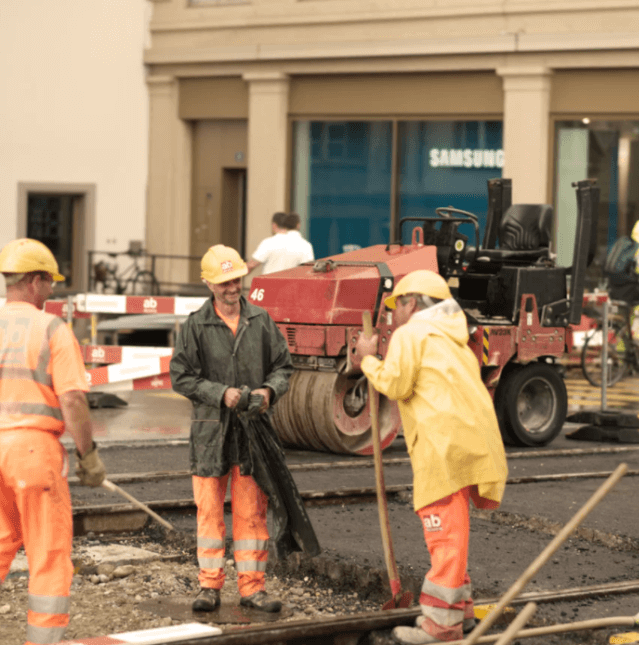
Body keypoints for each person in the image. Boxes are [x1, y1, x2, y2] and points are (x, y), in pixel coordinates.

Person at [0, 239, 106, 645]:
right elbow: (72, 398)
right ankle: (42, 641)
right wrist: (88, 454)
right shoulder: (51, 329)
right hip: (32, 449)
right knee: (47, 553)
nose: (52, 292)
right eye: (49, 282)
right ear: (33, 280)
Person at [353, 270, 508, 645]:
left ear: (411, 303)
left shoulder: (413, 333)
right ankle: (462, 614)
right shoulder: (454, 337)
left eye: (396, 310)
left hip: (443, 449)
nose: (393, 319)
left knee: (445, 538)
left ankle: (440, 628)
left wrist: (367, 360)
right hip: (472, 445)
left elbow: (395, 383)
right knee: (455, 534)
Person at [170, 244, 319, 615]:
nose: (232, 287)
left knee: (252, 510)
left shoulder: (261, 321)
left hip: (253, 431)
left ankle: (253, 588)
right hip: (211, 434)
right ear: (208, 284)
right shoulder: (195, 326)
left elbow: (283, 367)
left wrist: (269, 392)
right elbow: (181, 376)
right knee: (209, 512)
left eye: (236, 279)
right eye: (223, 282)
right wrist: (221, 395)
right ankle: (209, 586)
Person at [247, 212, 315, 275]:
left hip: (269, 285)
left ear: (274, 225)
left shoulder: (269, 243)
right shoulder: (306, 245)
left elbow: (252, 265)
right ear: (298, 225)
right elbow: (309, 270)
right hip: (294, 286)